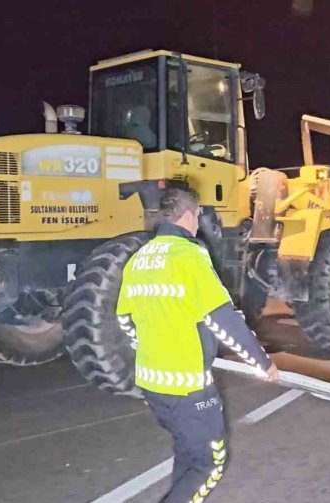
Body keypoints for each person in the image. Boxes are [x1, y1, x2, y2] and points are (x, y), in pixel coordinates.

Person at [116, 186, 279, 503]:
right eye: (198, 216)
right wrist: (262, 364)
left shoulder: (138, 259)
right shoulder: (189, 255)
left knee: (188, 454)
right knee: (209, 464)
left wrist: (153, 348)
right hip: (188, 386)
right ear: (189, 215)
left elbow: (125, 319)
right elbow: (221, 318)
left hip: (152, 382)